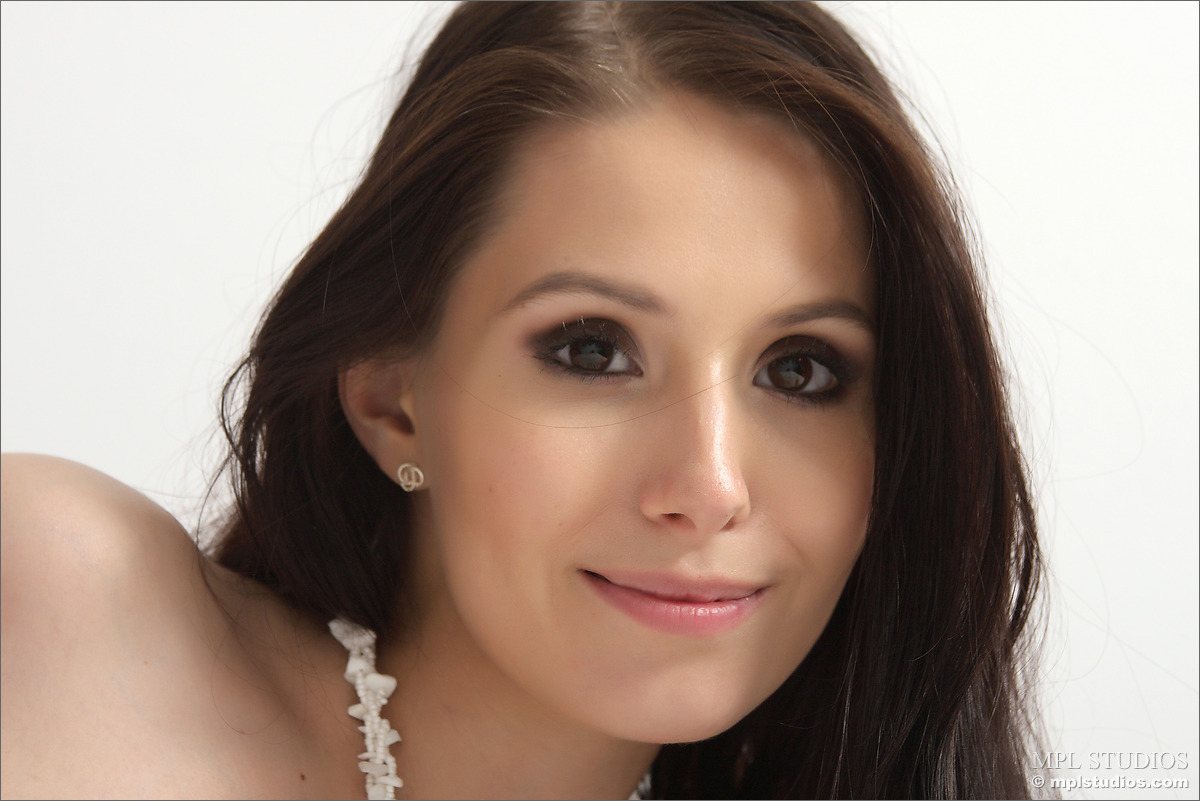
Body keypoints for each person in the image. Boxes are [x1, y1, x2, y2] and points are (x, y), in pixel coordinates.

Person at [0, 2, 1049, 798]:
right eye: (592, 350)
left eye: (800, 370)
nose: (709, 486)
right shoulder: (65, 606)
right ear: (394, 405)